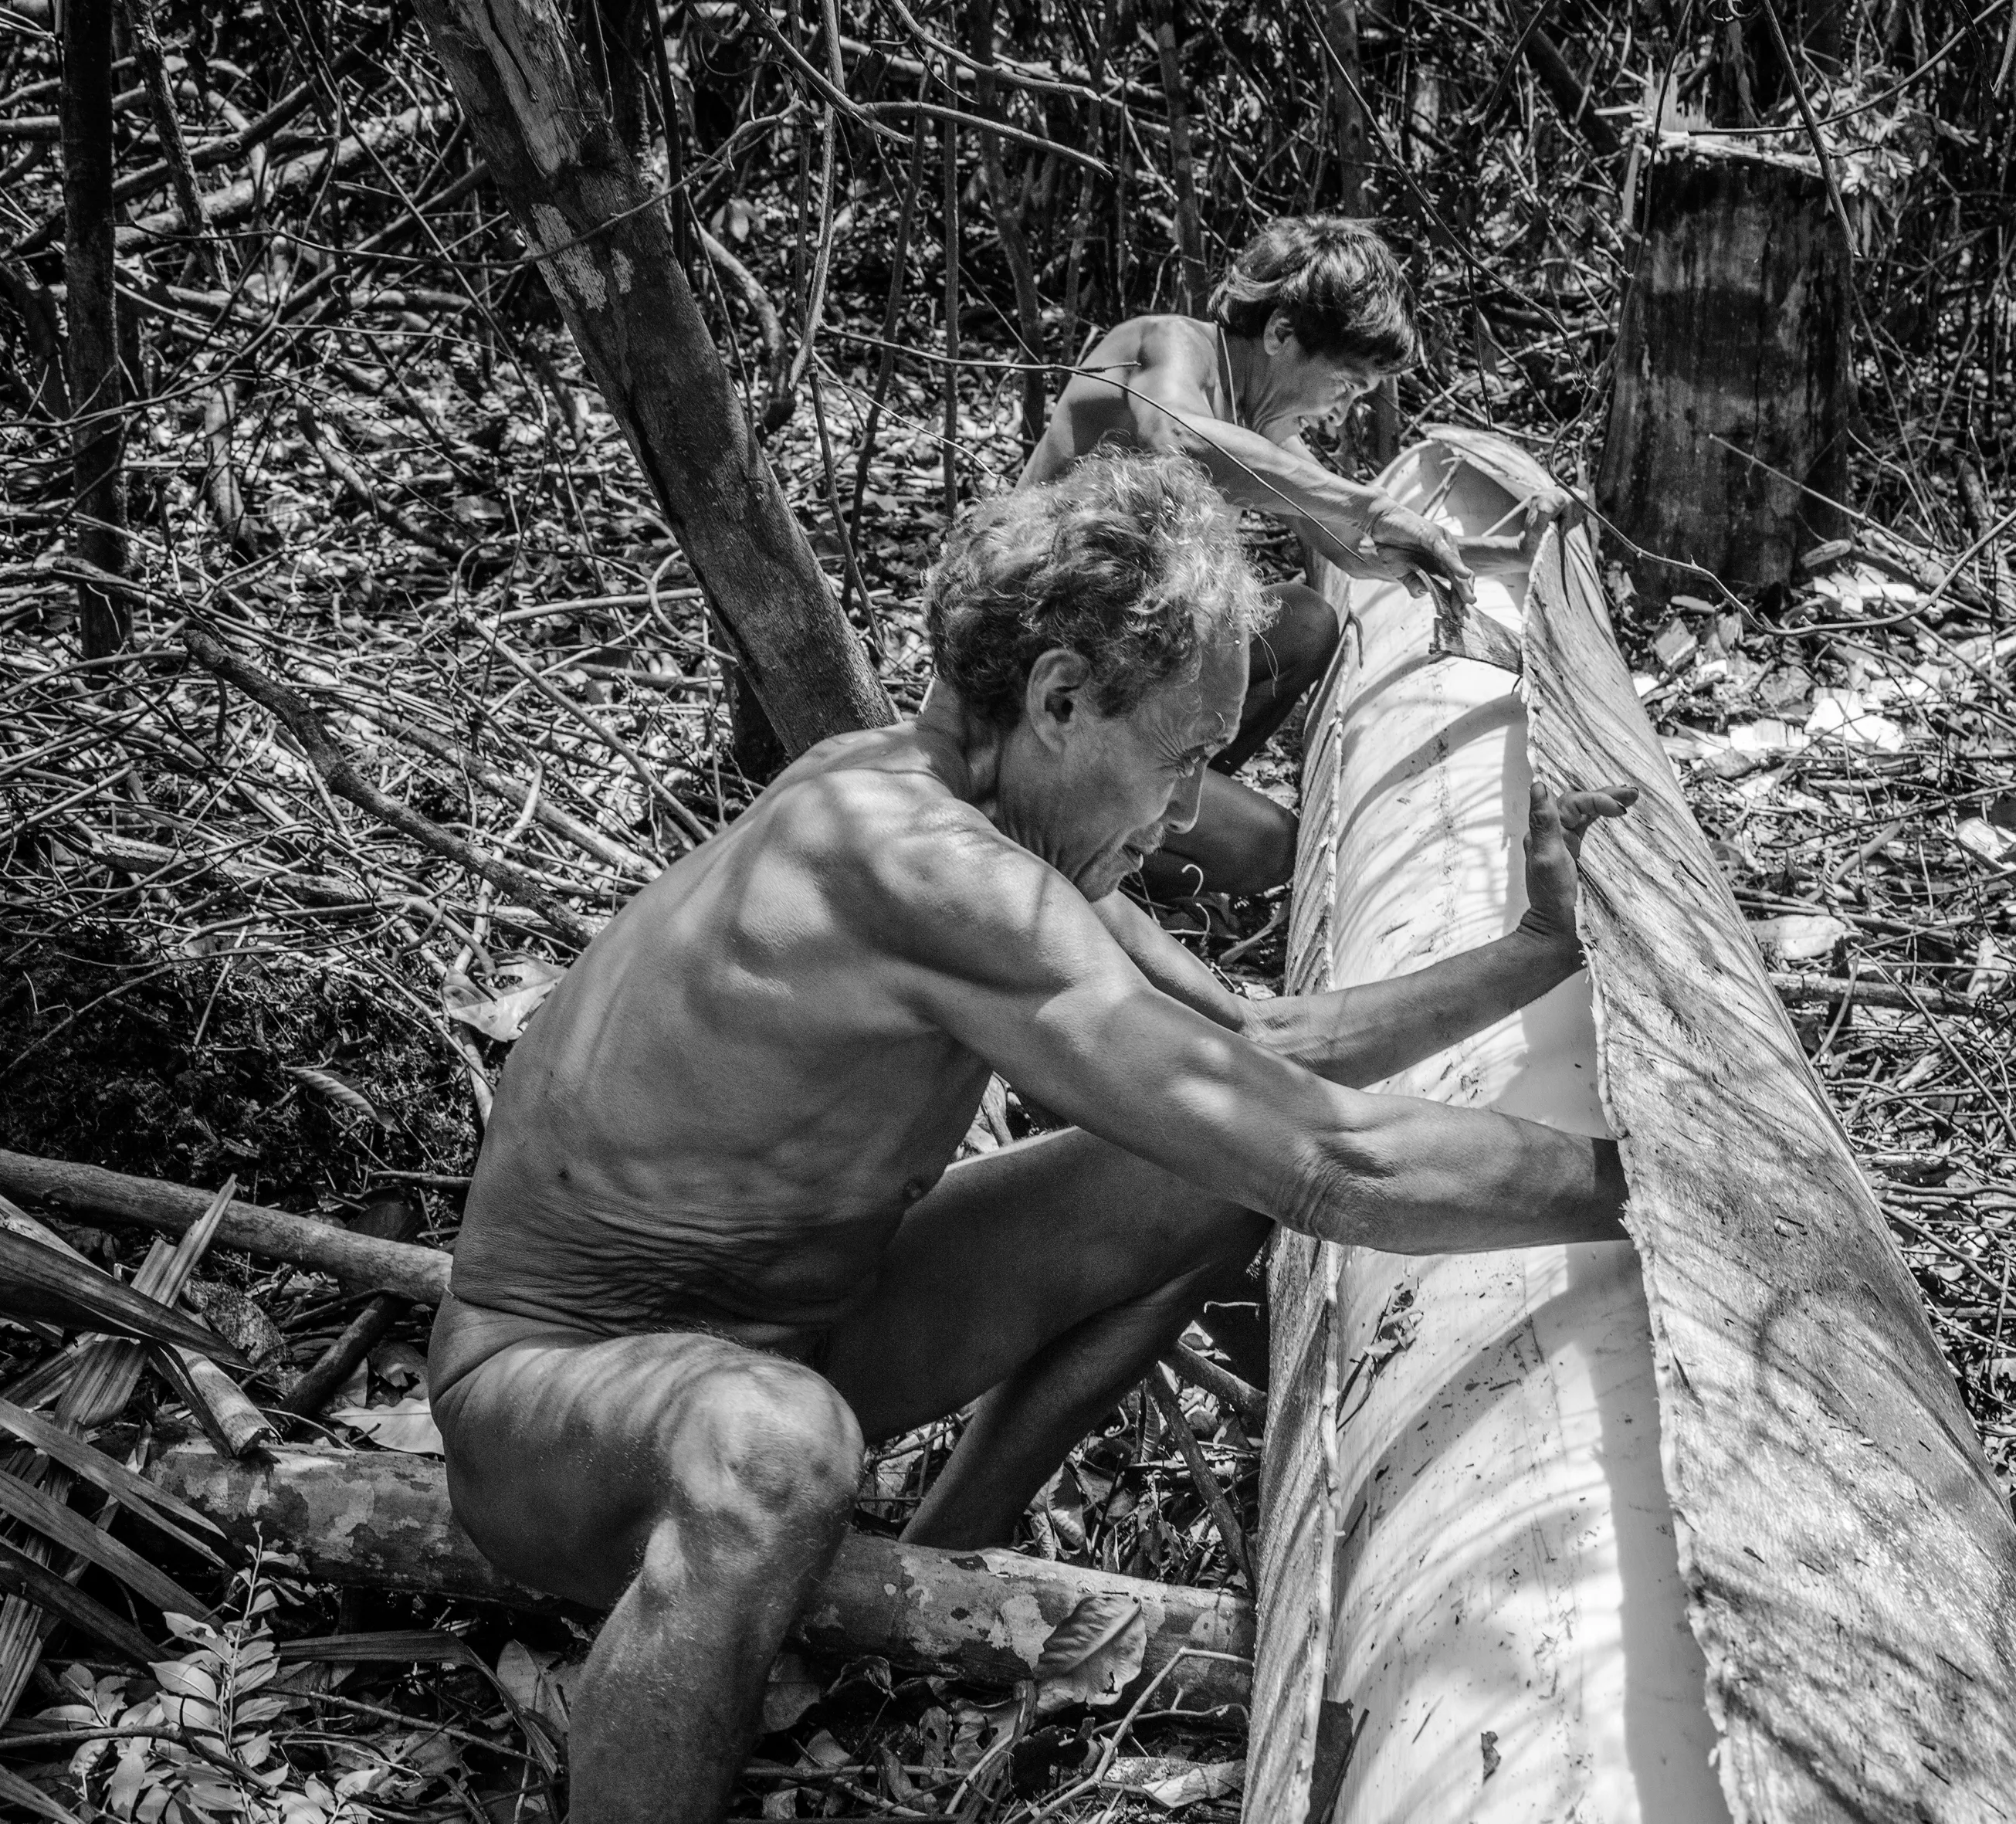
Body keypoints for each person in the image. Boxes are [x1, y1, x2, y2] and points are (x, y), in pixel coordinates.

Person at [429, 451, 1631, 1824]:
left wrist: (1530, 952)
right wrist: (1650, 1190)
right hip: (553, 1407)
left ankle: (942, 1558)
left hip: (783, 1340)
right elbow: (1337, 1161)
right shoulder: (915, 864)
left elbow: (1264, 1068)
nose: (1188, 812)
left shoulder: (1002, 835)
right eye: (1182, 759)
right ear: (1060, 698)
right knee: (773, 1444)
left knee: (1190, 1176)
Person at [1018, 215, 1471, 897]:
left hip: (1124, 670)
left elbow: (1332, 523)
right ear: (1281, 333)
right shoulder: (1167, 346)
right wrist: (1370, 506)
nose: (1343, 410)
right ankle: (1093, 848)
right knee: (1273, 849)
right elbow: (1180, 439)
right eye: (1345, 384)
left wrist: (1420, 560)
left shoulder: (1257, 414)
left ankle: (1153, 807)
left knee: (1304, 621)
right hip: (1042, 690)